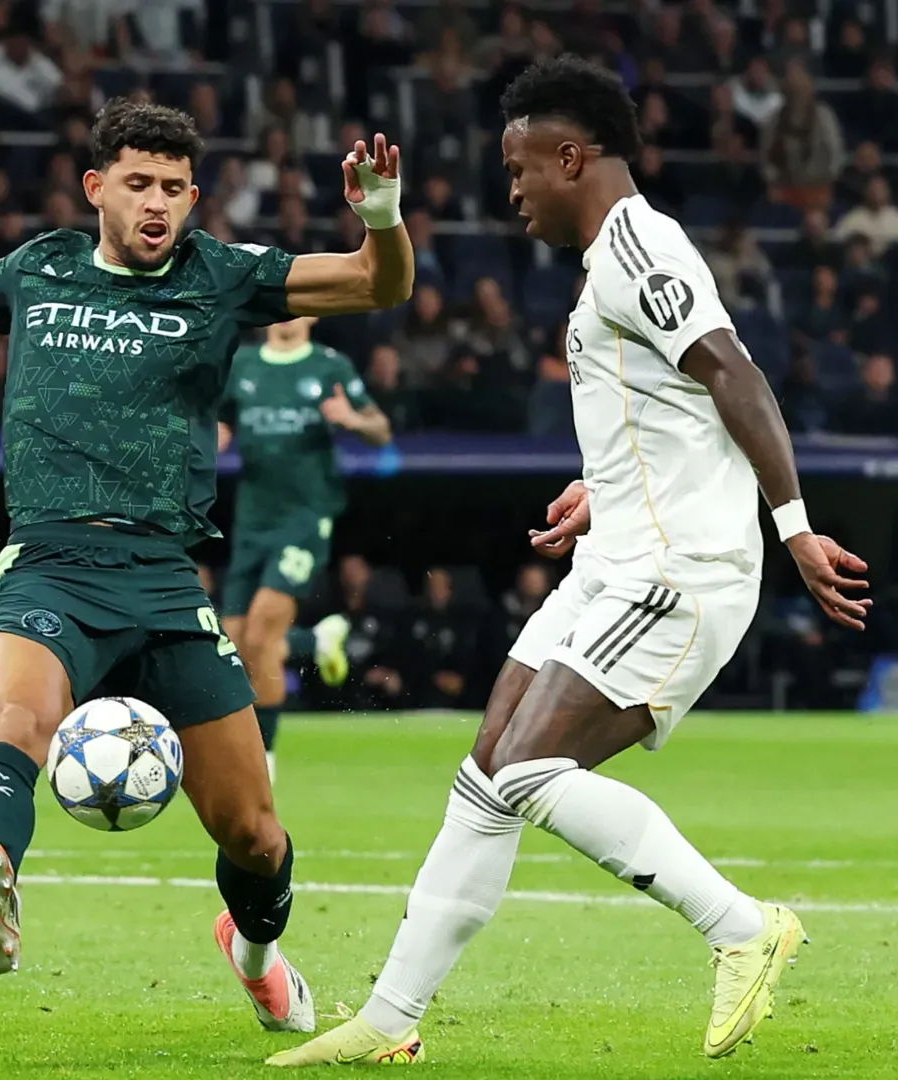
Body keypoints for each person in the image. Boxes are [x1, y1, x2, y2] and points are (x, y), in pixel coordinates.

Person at [271, 56, 872, 1067]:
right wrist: (607, 490)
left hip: (677, 574)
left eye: (518, 171)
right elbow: (675, 407)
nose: (510, 193)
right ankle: (389, 1021)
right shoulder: (611, 264)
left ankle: (741, 926)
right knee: (487, 774)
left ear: (570, 156)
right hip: (619, 556)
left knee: (533, 771)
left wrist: (795, 523)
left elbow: (738, 376)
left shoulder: (640, 249)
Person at [0, 101, 413, 1025]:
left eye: (174, 187)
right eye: (138, 184)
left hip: (167, 580)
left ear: (194, 196)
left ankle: (255, 954)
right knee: (14, 718)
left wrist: (381, 215)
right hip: (48, 561)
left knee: (254, 832)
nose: (157, 202)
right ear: (98, 190)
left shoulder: (223, 276)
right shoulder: (41, 268)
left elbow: (379, 284)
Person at [216, 315, 389, 776]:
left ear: (312, 314)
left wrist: (352, 419)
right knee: (233, 644)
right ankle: (316, 639)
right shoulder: (243, 365)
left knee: (261, 635)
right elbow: (220, 426)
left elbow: (381, 430)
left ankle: (264, 758)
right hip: (252, 522)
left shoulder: (329, 365)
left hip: (305, 520)